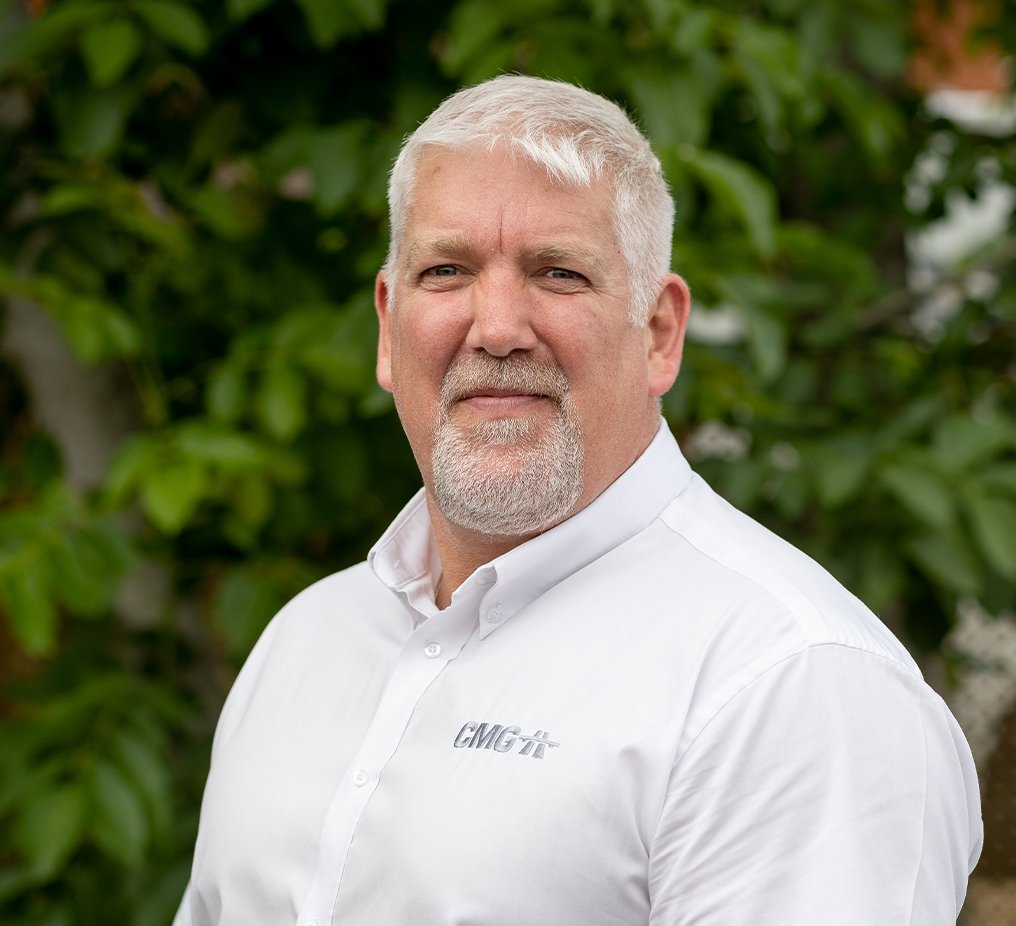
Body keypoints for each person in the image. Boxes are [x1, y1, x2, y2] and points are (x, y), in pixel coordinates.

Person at [174, 75, 982, 926]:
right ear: (387, 325)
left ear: (660, 334)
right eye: (445, 271)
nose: (496, 328)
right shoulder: (308, 637)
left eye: (558, 274)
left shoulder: (791, 685)